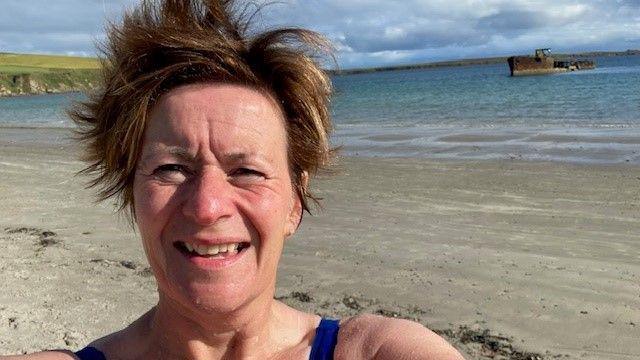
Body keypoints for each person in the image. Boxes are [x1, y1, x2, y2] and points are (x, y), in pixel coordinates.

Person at [3, 1, 464, 359]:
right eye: (170, 169)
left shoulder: (374, 352)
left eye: (246, 171)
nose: (207, 206)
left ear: (294, 205)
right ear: (132, 195)